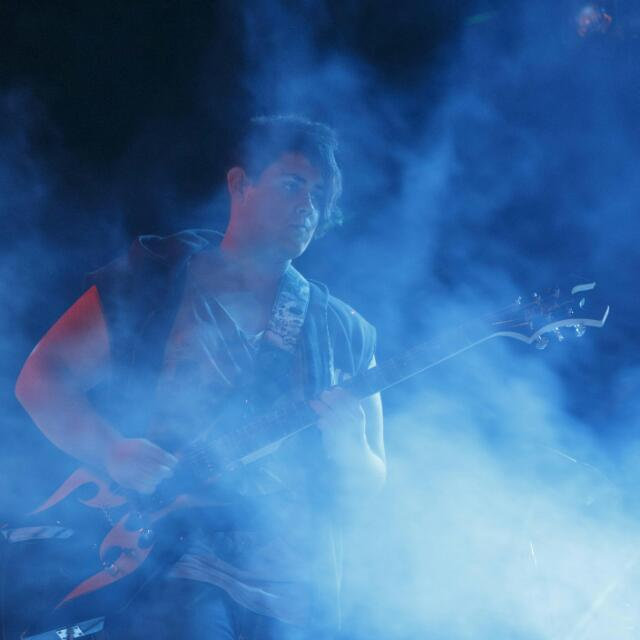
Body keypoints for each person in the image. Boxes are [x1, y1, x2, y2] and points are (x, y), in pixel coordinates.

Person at [15, 115, 386, 639]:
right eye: (292, 184)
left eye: (319, 194)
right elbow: (42, 377)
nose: (308, 204)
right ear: (240, 184)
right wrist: (112, 449)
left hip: (292, 587)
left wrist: (352, 445)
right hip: (167, 565)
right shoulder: (156, 279)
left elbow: (372, 482)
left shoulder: (345, 331)